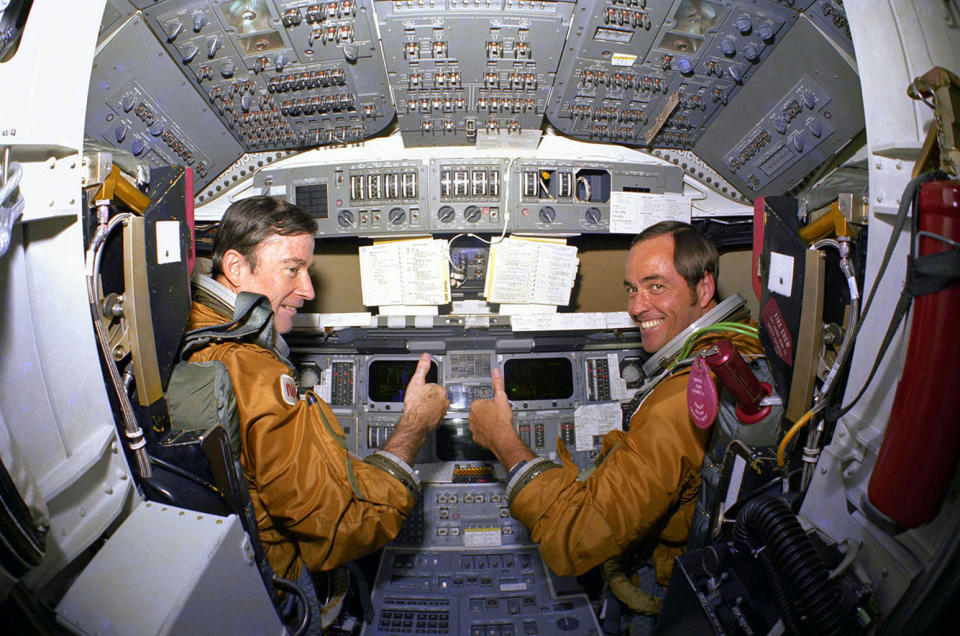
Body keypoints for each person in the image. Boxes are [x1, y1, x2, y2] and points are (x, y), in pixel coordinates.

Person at [469, 221, 773, 631]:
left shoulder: (683, 397)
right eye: (632, 288)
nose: (635, 307)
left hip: (670, 578)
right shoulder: (742, 346)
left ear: (703, 290)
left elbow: (573, 539)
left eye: (656, 286)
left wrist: (502, 438)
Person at [184, 196, 449, 608]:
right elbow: (339, 527)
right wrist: (413, 426)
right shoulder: (252, 369)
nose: (307, 290)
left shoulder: (195, 331)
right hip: (275, 587)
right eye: (293, 269)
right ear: (236, 268)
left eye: (307, 271)